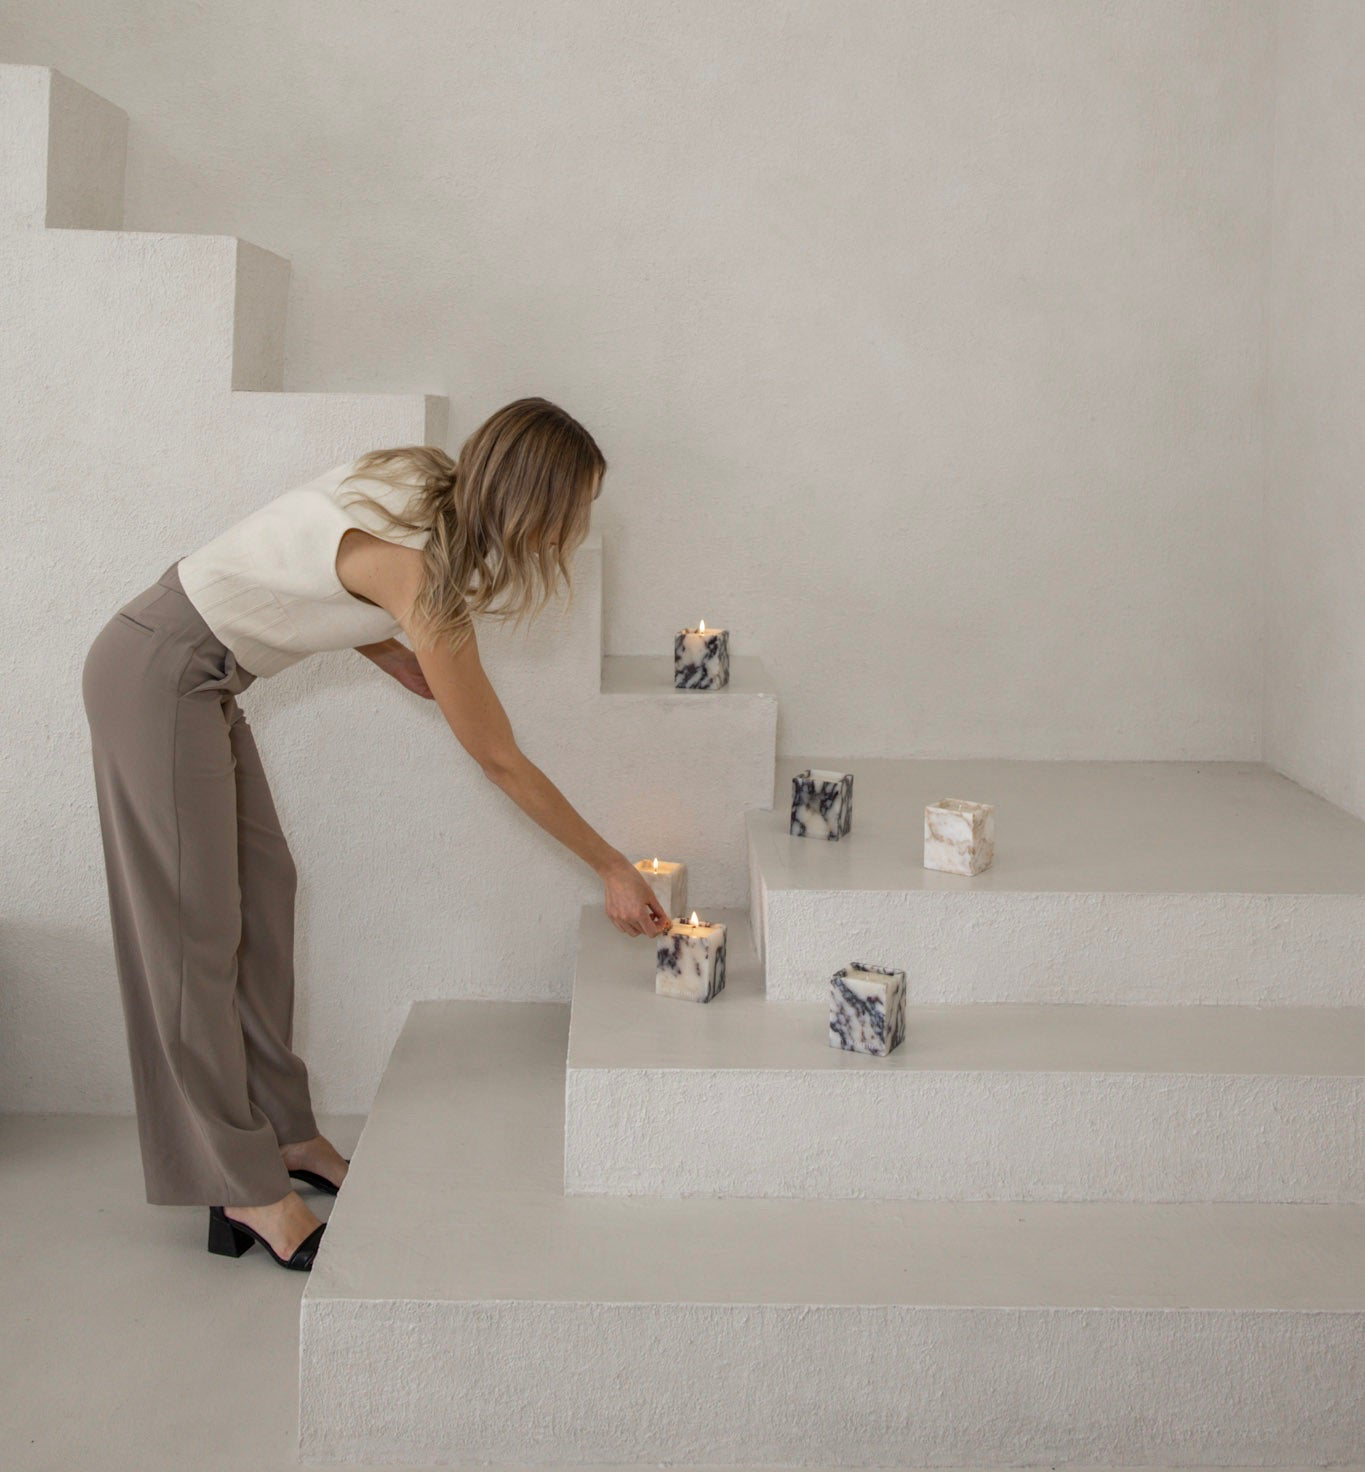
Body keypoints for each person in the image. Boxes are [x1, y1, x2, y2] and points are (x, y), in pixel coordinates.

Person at [81, 397, 670, 1271]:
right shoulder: (421, 576)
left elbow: (298, 566)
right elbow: (501, 760)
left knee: (264, 894)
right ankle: (239, 1186)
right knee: (190, 935)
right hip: (157, 670)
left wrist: (386, 649)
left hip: (202, 674)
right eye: (575, 509)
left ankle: (283, 1135)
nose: (576, 531)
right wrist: (611, 865)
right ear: (535, 503)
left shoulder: (414, 480)